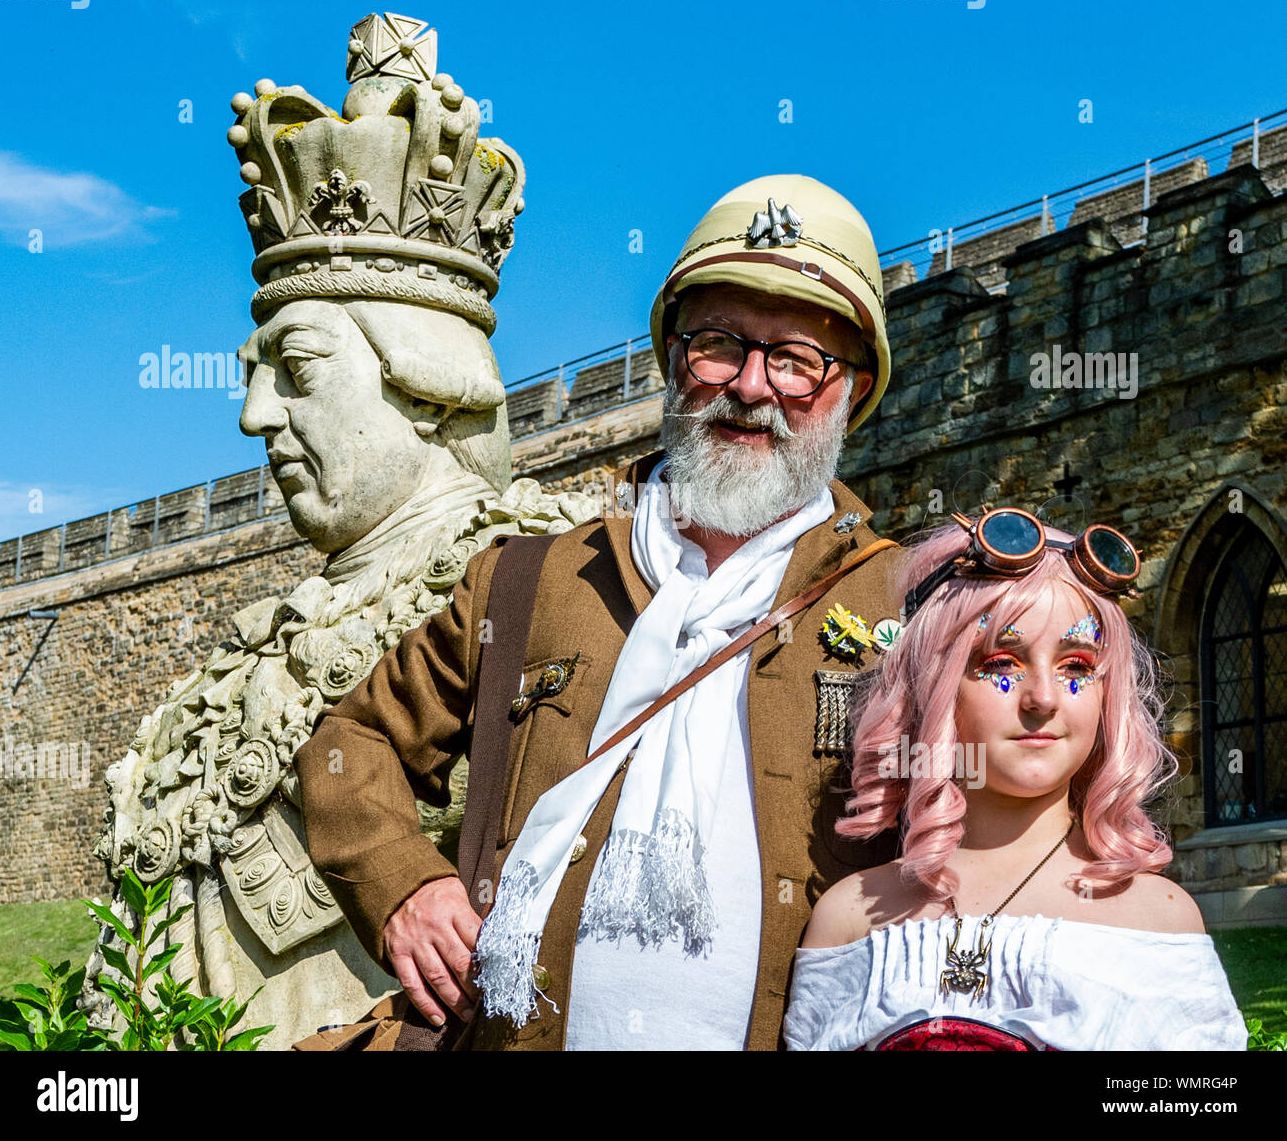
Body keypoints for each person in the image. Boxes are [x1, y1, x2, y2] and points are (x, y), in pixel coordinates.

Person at [296, 174, 910, 1049]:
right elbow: (343, 747)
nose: (751, 385)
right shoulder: (526, 581)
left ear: (850, 390)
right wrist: (401, 883)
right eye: (718, 344)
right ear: (671, 359)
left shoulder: (908, 603)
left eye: (798, 359)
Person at [784, 509, 1248, 1050]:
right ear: (931, 683)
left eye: (1076, 667)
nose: (1043, 699)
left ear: (1109, 693)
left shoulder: (1157, 921)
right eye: (1002, 663)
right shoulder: (850, 918)